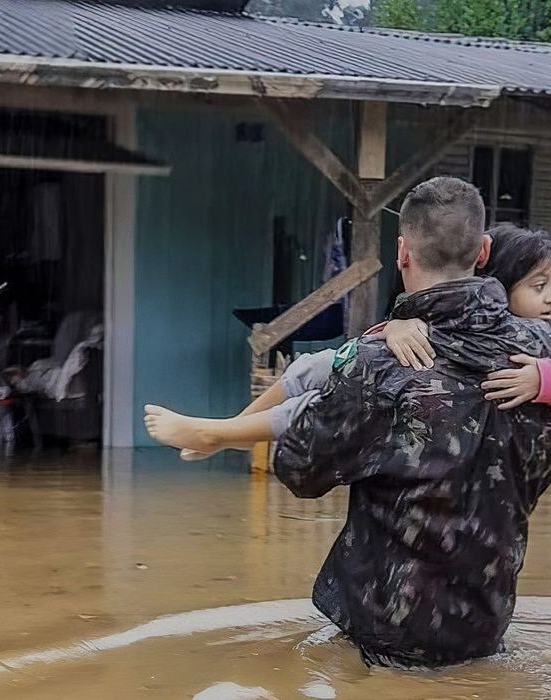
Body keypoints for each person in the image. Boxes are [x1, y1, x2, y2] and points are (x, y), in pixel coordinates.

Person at [273, 177, 551, 667]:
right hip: (488, 623)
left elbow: (298, 470)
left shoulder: (379, 366)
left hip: (386, 633)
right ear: (484, 250)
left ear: (402, 252)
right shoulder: (540, 352)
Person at [143, 224, 551, 458]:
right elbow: (411, 333)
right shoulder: (470, 318)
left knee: (327, 401)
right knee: (316, 365)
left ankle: (221, 436)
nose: (550, 297)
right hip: (432, 403)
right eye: (540, 285)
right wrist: (394, 326)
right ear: (494, 284)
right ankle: (230, 431)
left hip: (444, 421)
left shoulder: (536, 342)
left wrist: (542, 380)